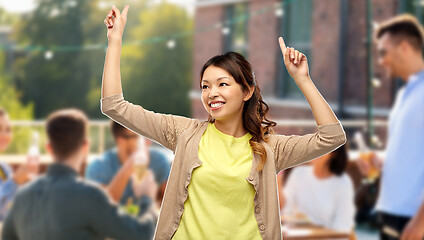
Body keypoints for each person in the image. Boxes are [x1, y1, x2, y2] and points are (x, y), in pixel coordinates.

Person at [101, 5, 346, 239]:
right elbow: (114, 106)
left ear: (247, 92)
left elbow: (332, 137)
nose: (211, 93)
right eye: (205, 86)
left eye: (223, 84)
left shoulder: (271, 148)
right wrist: (115, 41)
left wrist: (302, 80)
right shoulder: (184, 133)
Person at [2, 109, 157, 240]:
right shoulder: (90, 196)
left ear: (49, 148)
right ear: (85, 146)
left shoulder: (23, 197)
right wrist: (147, 198)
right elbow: (141, 234)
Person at [359, 14, 424, 240]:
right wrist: (381, 162)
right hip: (392, 212)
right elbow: (413, 151)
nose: (381, 61)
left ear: (404, 47)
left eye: (383, 52)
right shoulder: (405, 93)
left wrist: (422, 217)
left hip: (414, 217)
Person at [85, 120, 171, 210]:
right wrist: (131, 164)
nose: (148, 141)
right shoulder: (99, 167)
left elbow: (172, 205)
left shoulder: (158, 160)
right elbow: (99, 206)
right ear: (121, 140)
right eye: (139, 136)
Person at [281, 145, 355, 232]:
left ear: (334, 153)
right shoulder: (298, 173)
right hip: (295, 235)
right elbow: (287, 211)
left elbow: (343, 227)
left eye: (323, 146)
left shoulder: (343, 183)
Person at [0, 108, 38, 221]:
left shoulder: (4, 168)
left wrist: (25, 184)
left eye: (8, 129)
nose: (4, 134)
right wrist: (15, 181)